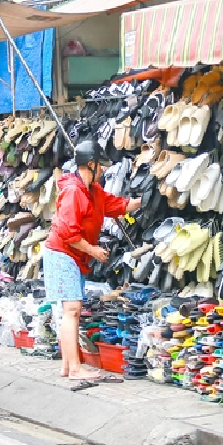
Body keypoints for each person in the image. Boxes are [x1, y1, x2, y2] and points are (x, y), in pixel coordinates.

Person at [44, 140, 141, 381]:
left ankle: (68, 366)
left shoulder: (93, 190)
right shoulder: (74, 191)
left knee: (70, 311)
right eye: (102, 166)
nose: (105, 170)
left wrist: (143, 200)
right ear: (91, 165)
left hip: (74, 256)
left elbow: (116, 205)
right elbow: (68, 233)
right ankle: (75, 369)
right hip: (62, 253)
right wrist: (94, 250)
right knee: (72, 310)